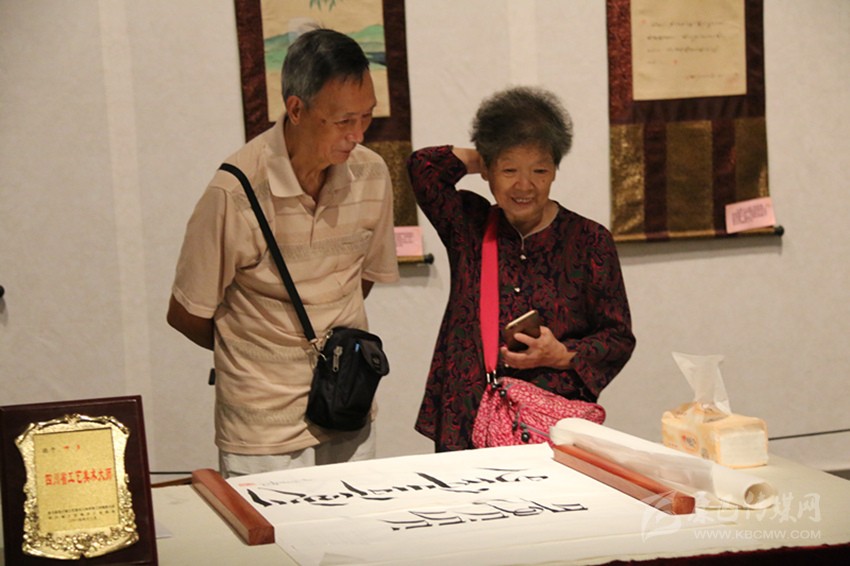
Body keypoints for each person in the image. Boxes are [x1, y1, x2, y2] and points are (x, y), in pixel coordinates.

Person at [167, 28, 399, 476]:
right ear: (296, 109)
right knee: (265, 525)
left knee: (357, 520)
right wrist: (255, 353)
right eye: (343, 121)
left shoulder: (371, 174)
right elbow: (186, 312)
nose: (357, 134)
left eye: (367, 116)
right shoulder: (235, 192)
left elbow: (362, 278)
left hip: (347, 408)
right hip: (261, 429)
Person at [407, 86, 635, 452]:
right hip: (468, 421)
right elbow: (423, 168)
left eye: (539, 170)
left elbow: (618, 337)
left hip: (551, 426)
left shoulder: (590, 240)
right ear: (488, 171)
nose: (524, 185)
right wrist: (487, 153)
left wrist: (562, 354)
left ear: (555, 170)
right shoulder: (469, 225)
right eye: (509, 169)